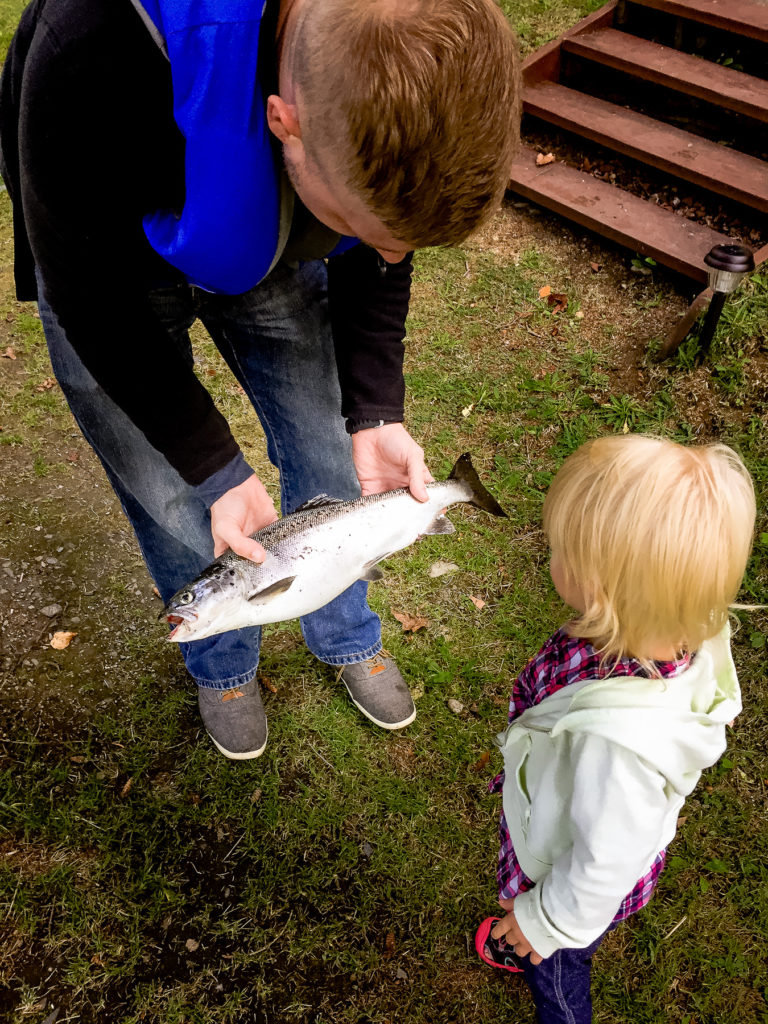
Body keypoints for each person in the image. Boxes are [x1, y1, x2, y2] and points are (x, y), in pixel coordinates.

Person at [0, 0, 520, 759]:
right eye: (357, 226)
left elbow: (383, 244)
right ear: (283, 121)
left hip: (263, 230)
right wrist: (213, 467)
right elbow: (88, 299)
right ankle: (221, 661)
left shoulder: (389, 48)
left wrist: (375, 405)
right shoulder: (86, 47)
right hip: (105, 249)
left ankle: (345, 633)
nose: (379, 249)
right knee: (175, 495)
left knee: (326, 439)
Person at [474, 434, 756, 1024]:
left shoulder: (618, 749)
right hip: (568, 812)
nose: (549, 555)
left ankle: (546, 979)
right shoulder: (680, 629)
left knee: (558, 964)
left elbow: (603, 862)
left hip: (567, 882)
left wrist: (544, 921)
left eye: (558, 550)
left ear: (601, 592)